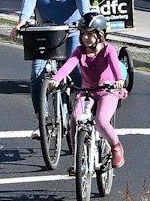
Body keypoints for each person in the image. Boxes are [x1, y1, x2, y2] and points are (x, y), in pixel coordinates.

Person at [15, 0, 91, 121]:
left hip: (71, 31)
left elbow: (83, 4)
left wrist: (85, 23)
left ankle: (87, 104)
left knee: (74, 69)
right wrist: (22, 21)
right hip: (46, 32)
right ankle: (42, 119)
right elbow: (29, 1)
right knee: (37, 74)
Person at [49, 12, 128, 168]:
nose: (85, 37)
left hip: (108, 91)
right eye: (83, 33)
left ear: (100, 35)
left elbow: (114, 64)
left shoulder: (108, 50)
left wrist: (119, 80)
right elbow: (69, 65)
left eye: (90, 34)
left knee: (101, 121)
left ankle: (116, 147)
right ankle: (77, 158)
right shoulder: (79, 51)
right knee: (75, 119)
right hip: (87, 92)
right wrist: (56, 78)